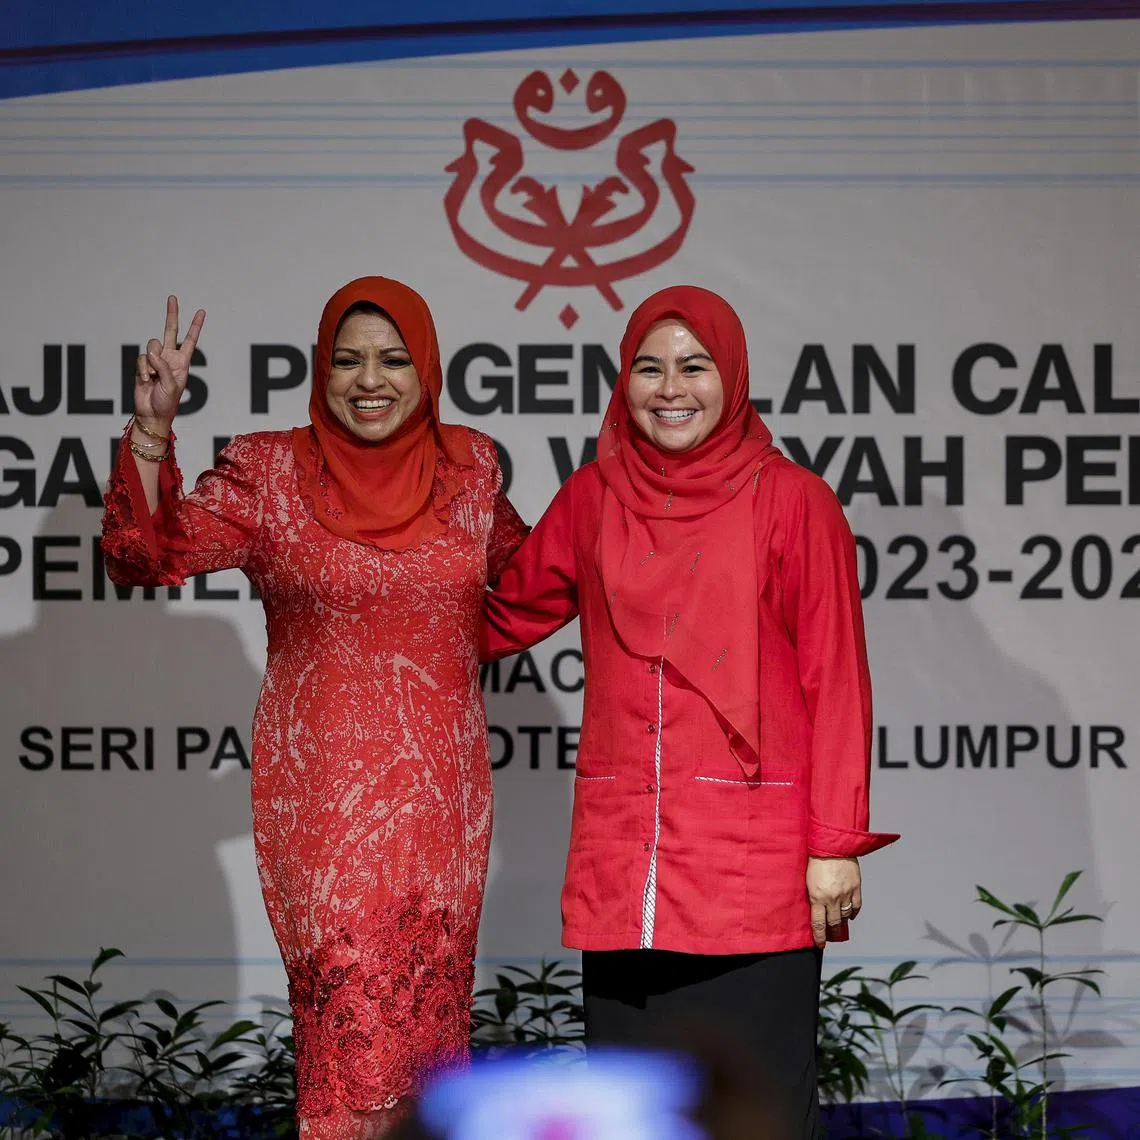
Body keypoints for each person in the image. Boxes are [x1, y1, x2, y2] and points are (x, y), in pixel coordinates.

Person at [101, 277, 528, 1139]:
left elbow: (531, 581)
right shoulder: (268, 471)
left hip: (443, 815)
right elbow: (143, 555)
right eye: (348, 359)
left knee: (429, 1057)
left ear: (427, 368)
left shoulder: (471, 465)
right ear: (320, 371)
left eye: (393, 358)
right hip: (329, 813)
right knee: (355, 1054)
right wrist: (153, 428)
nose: (370, 378)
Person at [480, 285, 898, 1138]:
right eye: (649, 367)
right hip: (625, 865)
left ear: (733, 376)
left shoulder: (794, 502)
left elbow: (838, 684)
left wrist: (835, 847)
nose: (672, 388)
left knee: (759, 1118)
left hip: (756, 870)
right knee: (633, 1120)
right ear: (621, 381)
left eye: (695, 366)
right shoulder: (595, 498)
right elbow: (497, 617)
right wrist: (374, 566)